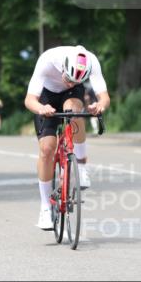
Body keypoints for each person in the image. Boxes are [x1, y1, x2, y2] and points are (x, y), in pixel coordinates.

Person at [24, 45, 110, 231]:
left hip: (70, 98)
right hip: (46, 96)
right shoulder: (47, 61)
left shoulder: (91, 61)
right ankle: (45, 207)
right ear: (63, 67)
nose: (70, 83)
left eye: (77, 80)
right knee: (47, 149)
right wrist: (41, 109)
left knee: (74, 112)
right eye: (69, 79)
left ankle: (81, 166)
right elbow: (29, 99)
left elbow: (104, 97)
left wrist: (100, 105)